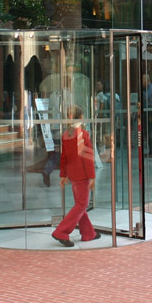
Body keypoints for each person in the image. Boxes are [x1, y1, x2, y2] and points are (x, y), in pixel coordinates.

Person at [51, 105, 100, 247]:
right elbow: (87, 157)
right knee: (82, 204)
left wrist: (63, 175)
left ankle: (88, 233)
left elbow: (64, 157)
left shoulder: (66, 135)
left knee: (80, 204)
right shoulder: (83, 134)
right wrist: (92, 176)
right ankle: (61, 231)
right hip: (82, 175)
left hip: (72, 175)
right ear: (80, 118)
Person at [142, 74, 152, 157]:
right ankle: (149, 150)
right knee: (146, 131)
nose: (142, 81)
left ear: (147, 80)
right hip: (145, 111)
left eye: (143, 80)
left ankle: (151, 151)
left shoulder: (150, 87)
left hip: (150, 112)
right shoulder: (146, 88)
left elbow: (145, 96)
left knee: (150, 131)